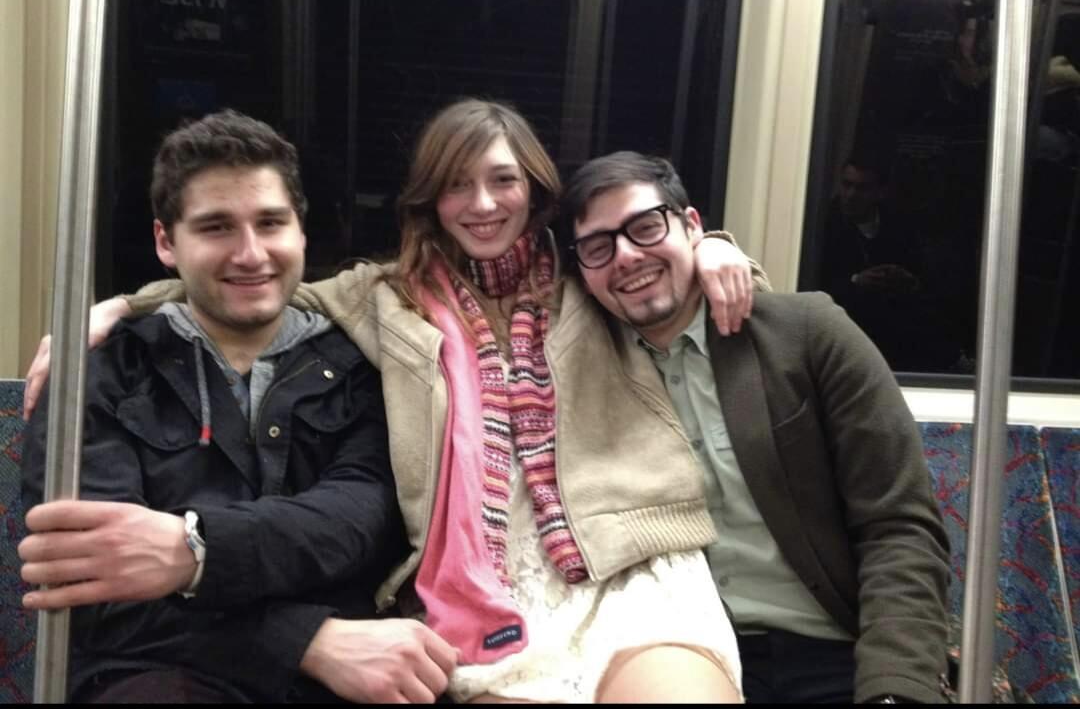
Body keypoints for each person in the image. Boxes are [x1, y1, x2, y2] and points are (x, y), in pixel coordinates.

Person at [23, 100, 765, 703]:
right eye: (457, 184)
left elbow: (656, 270)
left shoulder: (591, 280)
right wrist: (119, 305)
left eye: (502, 180)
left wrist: (714, 248)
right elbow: (267, 287)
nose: (482, 203)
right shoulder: (384, 300)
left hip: (623, 557)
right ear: (429, 200)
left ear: (535, 188)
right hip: (484, 582)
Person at [19, 110, 458, 704]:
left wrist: (188, 548)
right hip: (158, 673)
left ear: (300, 231)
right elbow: (96, 588)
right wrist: (306, 641)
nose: (250, 254)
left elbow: (362, 521)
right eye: (217, 227)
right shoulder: (97, 375)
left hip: (352, 671)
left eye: (270, 223)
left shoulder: (364, 369)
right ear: (165, 243)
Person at [562, 151, 951, 704]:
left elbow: (899, 527)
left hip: (837, 651)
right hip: (684, 658)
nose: (626, 256)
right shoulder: (586, 370)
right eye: (599, 247)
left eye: (646, 227)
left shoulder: (807, 335)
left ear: (692, 226)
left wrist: (896, 685)